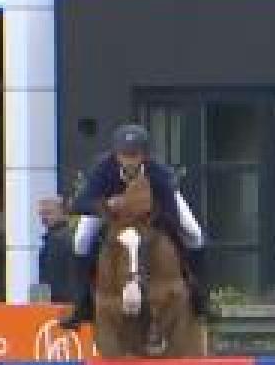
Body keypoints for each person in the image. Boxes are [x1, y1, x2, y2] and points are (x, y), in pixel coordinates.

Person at [65, 123, 209, 325]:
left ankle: (199, 293)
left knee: (194, 232)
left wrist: (150, 217)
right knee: (81, 240)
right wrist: (107, 204)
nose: (129, 161)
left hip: (153, 211)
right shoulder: (102, 170)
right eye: (124, 155)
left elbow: (171, 212)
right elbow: (79, 204)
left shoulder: (158, 173)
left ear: (144, 156)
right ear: (116, 155)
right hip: (109, 210)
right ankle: (82, 302)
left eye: (134, 155)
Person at [36, 195, 82, 365]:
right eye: (41, 213)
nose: (43, 217)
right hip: (61, 309)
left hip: (61, 311)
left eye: (48, 212)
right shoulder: (62, 239)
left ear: (61, 212)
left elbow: (56, 280)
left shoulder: (60, 241)